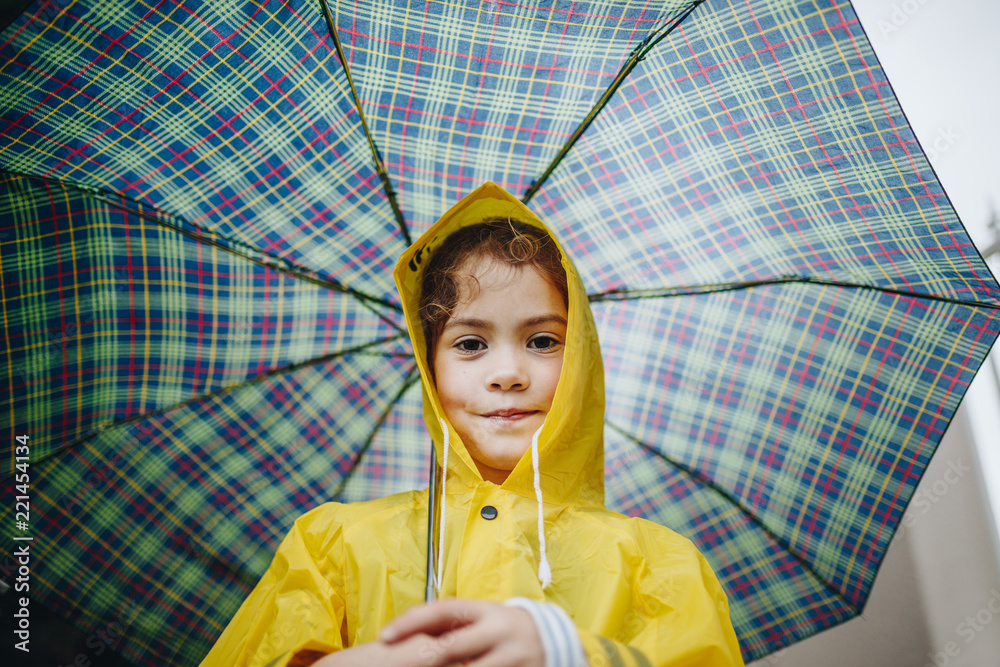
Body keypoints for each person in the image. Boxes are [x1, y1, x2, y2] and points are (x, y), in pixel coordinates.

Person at [199, 182, 744, 667]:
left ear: (579, 358)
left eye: (542, 341)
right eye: (471, 344)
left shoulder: (659, 566)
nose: (507, 373)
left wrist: (567, 654)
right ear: (430, 367)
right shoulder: (332, 547)